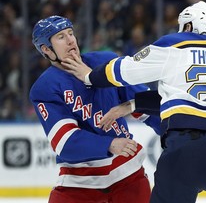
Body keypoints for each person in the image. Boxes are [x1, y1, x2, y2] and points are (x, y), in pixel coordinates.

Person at [61, 1, 206, 203]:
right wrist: (134, 104)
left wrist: (90, 76)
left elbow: (124, 71)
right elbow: (187, 96)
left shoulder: (175, 43)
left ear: (189, 24)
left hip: (185, 149)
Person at [29, 15, 161, 203]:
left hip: (128, 175)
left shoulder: (106, 62)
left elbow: (144, 104)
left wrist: (170, 133)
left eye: (70, 33)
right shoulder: (45, 87)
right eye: (60, 37)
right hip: (78, 183)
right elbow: (65, 143)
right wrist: (109, 144)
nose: (70, 40)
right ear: (46, 50)